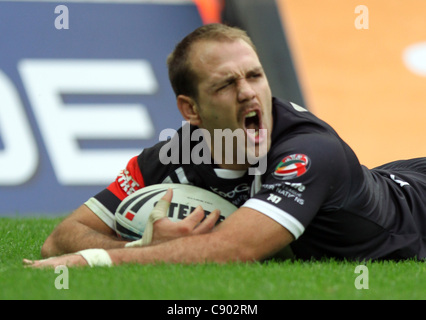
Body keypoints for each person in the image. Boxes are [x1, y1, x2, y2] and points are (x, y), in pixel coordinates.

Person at [24, 24, 426, 268]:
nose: (249, 94)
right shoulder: (172, 156)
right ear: (191, 109)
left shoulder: (309, 151)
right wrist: (141, 245)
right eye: (226, 84)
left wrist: (97, 258)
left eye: (255, 76)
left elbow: (233, 248)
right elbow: (60, 237)